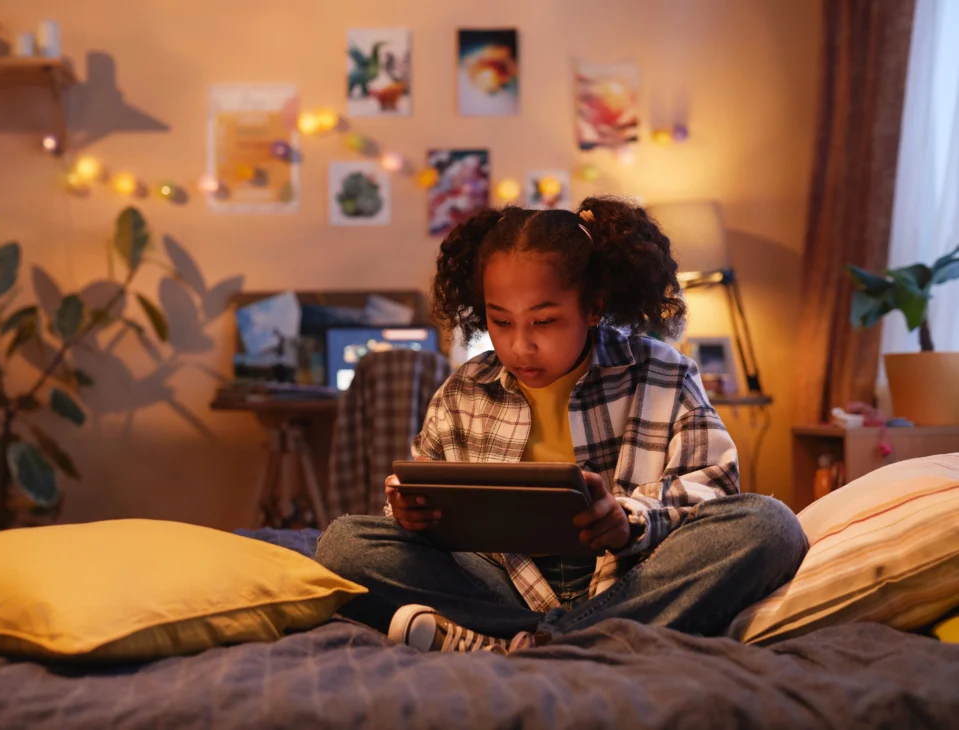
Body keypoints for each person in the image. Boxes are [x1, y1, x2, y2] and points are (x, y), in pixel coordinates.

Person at [315, 197, 808, 655]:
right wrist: (408, 513)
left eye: (544, 322)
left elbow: (715, 487)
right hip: (502, 579)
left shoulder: (663, 372)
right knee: (343, 544)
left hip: (631, 574)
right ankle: (590, 641)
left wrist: (629, 520)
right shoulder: (463, 388)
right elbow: (425, 497)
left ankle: (520, 644)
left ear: (593, 307)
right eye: (501, 322)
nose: (519, 346)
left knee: (771, 525)